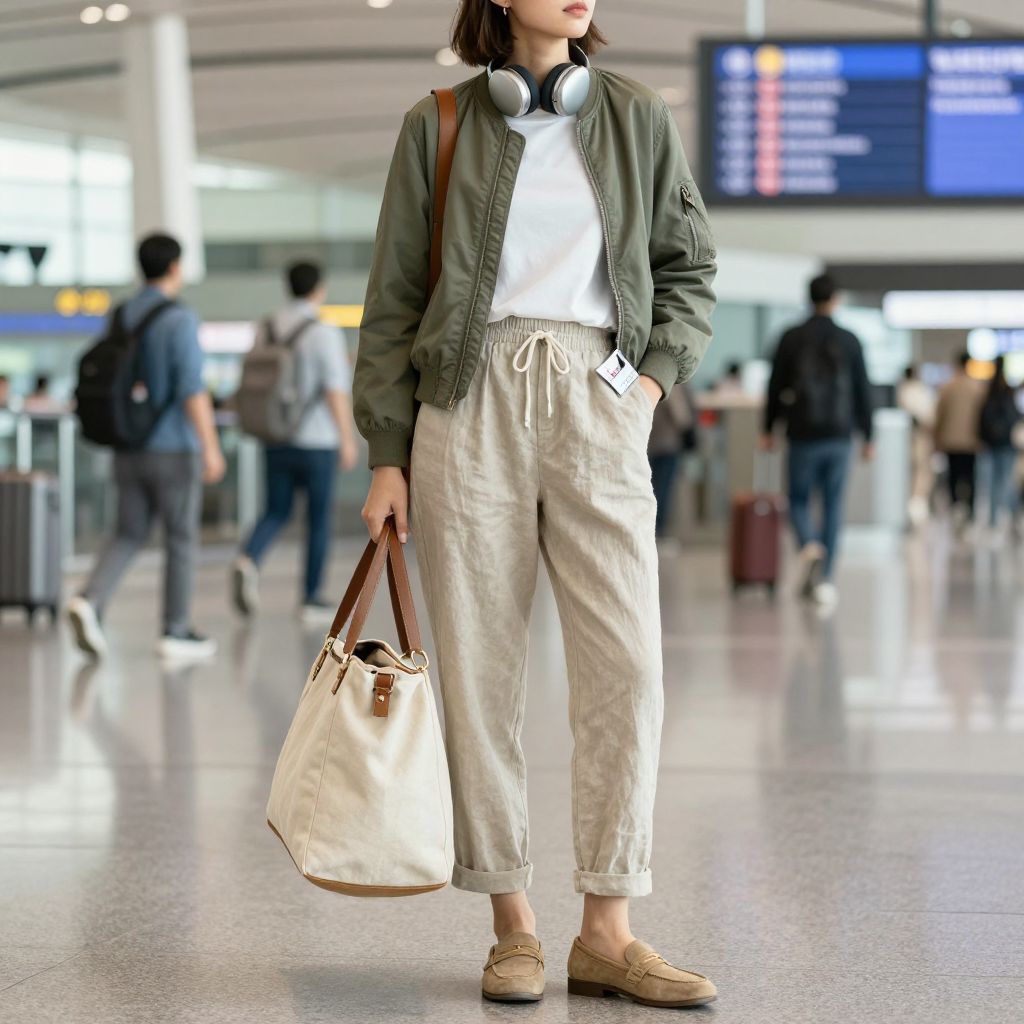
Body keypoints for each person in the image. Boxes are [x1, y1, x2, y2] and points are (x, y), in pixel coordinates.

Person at [352, 0, 718, 1009]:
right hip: (464, 401)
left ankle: (608, 930)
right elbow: (392, 298)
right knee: (479, 670)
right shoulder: (438, 123)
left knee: (629, 668)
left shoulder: (636, 116)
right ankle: (510, 921)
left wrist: (648, 386)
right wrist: (387, 454)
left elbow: (689, 265)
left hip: (599, 391)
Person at [67, 233, 226, 661]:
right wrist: (210, 446)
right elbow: (191, 388)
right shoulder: (179, 318)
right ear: (175, 266)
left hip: (127, 445)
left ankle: (89, 599)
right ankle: (176, 630)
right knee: (180, 537)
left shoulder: (120, 314)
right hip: (173, 447)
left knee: (128, 531)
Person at [232, 261, 359, 621]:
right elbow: (334, 389)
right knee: (318, 519)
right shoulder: (323, 331)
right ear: (319, 288)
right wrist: (347, 438)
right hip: (317, 440)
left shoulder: (266, 327)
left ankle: (249, 557)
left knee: (276, 510)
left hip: (275, 434)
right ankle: (310, 597)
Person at [760, 274, 874, 611]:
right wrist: (869, 435)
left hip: (802, 433)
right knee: (833, 504)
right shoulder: (850, 340)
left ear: (808, 298)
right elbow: (862, 390)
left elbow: (775, 386)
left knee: (797, 498)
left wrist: (768, 428)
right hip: (839, 435)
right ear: (835, 299)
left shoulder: (791, 337)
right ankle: (824, 579)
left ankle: (809, 544)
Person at [933, 352, 985, 533]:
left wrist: (937, 438)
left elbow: (939, 415)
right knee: (970, 476)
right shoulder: (977, 388)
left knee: (953, 476)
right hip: (971, 441)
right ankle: (969, 511)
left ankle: (955, 507)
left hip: (950, 440)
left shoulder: (948, 387)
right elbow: (983, 416)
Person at [648, 381, 697, 548]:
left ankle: (653, 533)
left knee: (654, 488)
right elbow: (678, 409)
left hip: (651, 440)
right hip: (667, 442)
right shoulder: (670, 376)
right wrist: (688, 431)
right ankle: (657, 533)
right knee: (662, 489)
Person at [977, 355, 1021, 535]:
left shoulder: (989, 390)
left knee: (993, 482)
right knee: (1006, 480)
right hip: (1006, 443)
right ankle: (1010, 516)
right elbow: (1014, 415)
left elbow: (982, 417)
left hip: (991, 443)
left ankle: (994, 519)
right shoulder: (1008, 390)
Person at [896, 364, 936, 526]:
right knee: (921, 470)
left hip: (908, 439)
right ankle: (917, 504)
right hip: (918, 437)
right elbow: (929, 416)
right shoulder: (920, 391)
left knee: (913, 470)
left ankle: (913, 504)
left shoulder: (902, 391)